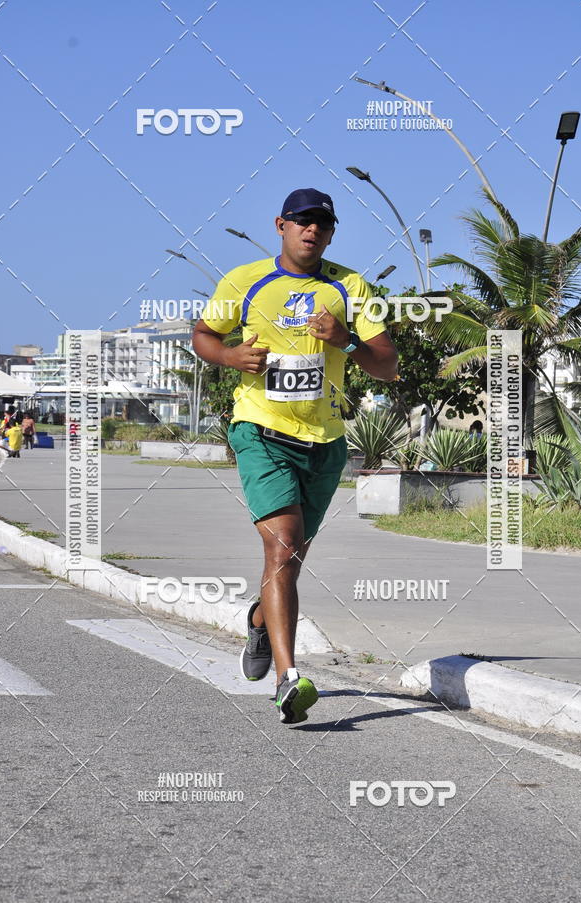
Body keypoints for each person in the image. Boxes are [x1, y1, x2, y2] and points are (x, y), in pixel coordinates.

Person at [193, 188, 398, 725]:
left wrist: (346, 340)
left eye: (323, 225)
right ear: (280, 225)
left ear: (331, 234)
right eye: (303, 222)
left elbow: (387, 366)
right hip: (260, 429)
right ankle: (289, 680)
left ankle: (261, 620)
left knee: (289, 561)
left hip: (324, 443)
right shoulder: (244, 280)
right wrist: (229, 354)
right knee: (283, 548)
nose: (313, 231)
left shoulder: (350, 287)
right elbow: (202, 335)